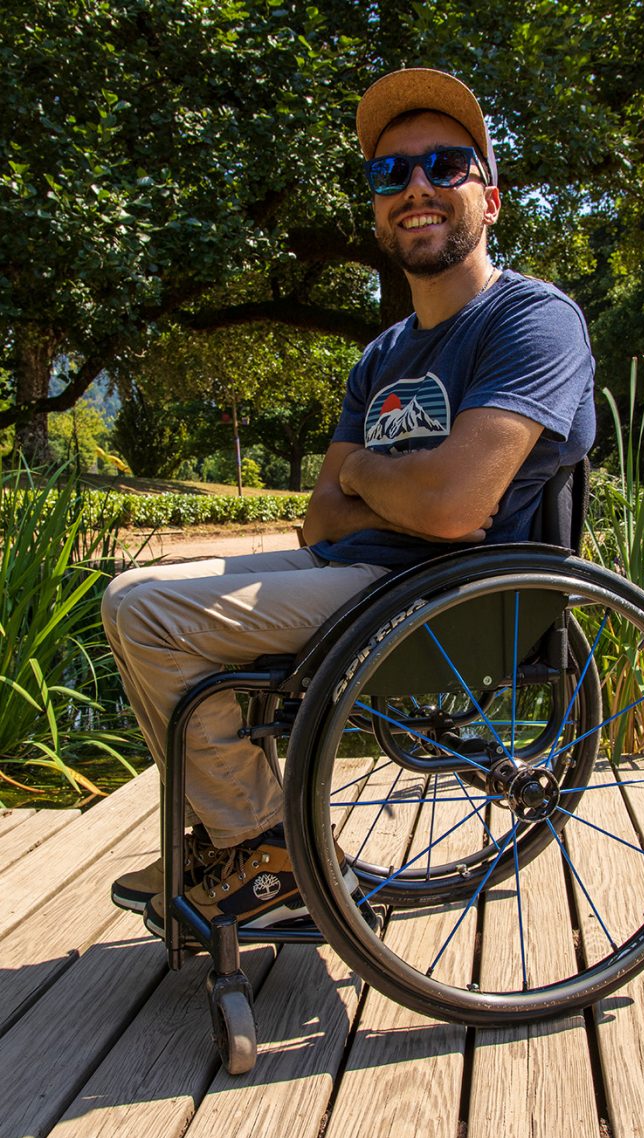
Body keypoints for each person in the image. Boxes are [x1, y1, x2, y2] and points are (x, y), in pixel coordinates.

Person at [104, 67, 596, 940]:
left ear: (491, 193)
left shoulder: (533, 320)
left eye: (446, 165)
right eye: (390, 173)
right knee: (139, 596)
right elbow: (318, 519)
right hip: (359, 574)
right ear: (375, 207)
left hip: (454, 598)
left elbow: (451, 512)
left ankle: (264, 851)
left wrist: (370, 474)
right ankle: (235, 838)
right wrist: (391, 485)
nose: (417, 187)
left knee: (148, 616)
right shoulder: (384, 354)